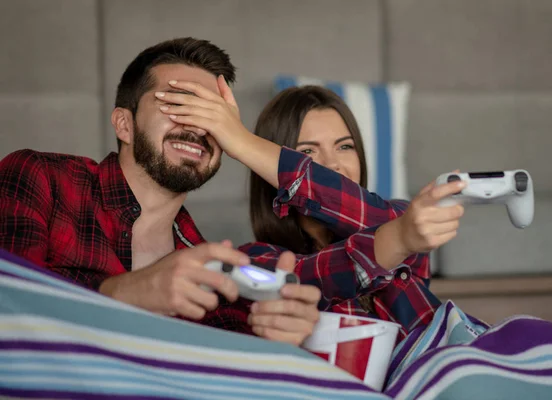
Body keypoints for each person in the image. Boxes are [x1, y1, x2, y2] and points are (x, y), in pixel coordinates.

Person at [0, 37, 323, 346]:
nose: (197, 128)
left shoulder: (210, 268)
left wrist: (271, 340)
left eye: (213, 117)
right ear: (124, 124)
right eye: (178, 106)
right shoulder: (41, 178)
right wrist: (126, 293)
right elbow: (8, 308)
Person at [154, 80, 466, 337]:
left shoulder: (398, 217)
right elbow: (317, 275)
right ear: (269, 171)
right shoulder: (259, 259)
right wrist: (241, 143)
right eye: (307, 152)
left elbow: (392, 223)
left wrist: (241, 139)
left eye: (345, 146)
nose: (333, 164)